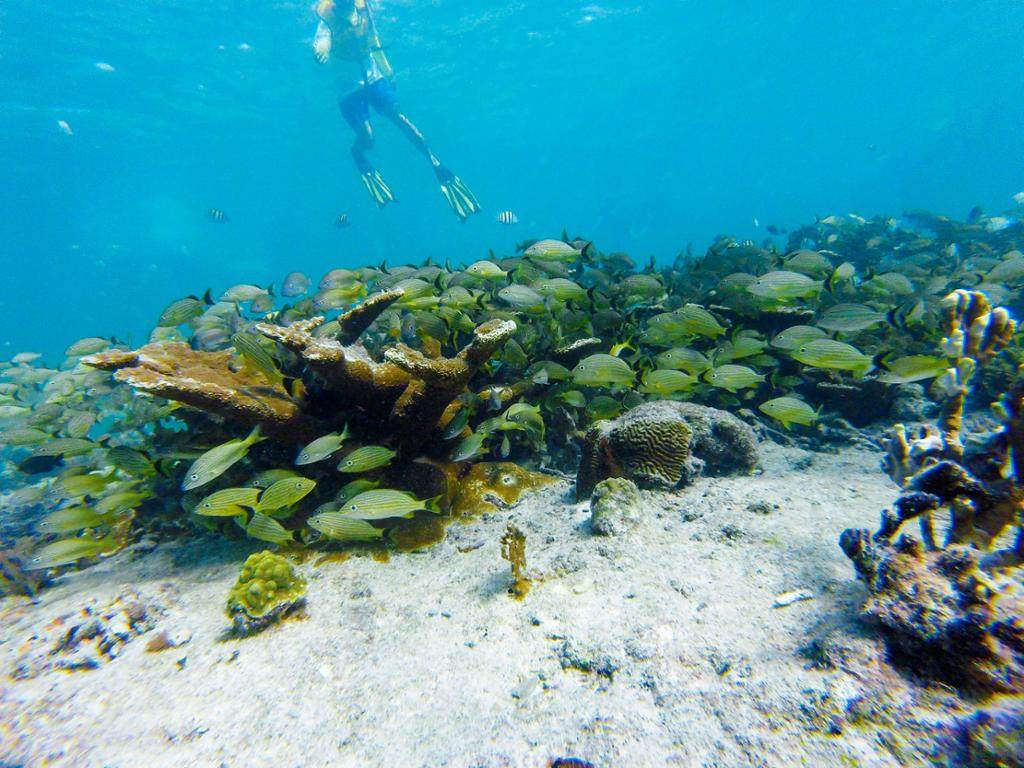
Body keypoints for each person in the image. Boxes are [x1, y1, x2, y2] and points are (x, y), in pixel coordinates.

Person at [313, 0, 481, 220]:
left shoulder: (364, 9)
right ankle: (357, 153)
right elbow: (322, 39)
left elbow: (373, 40)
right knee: (367, 138)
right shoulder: (328, 17)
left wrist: (388, 70)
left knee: (400, 118)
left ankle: (435, 162)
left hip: (374, 77)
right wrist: (321, 50)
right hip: (348, 87)